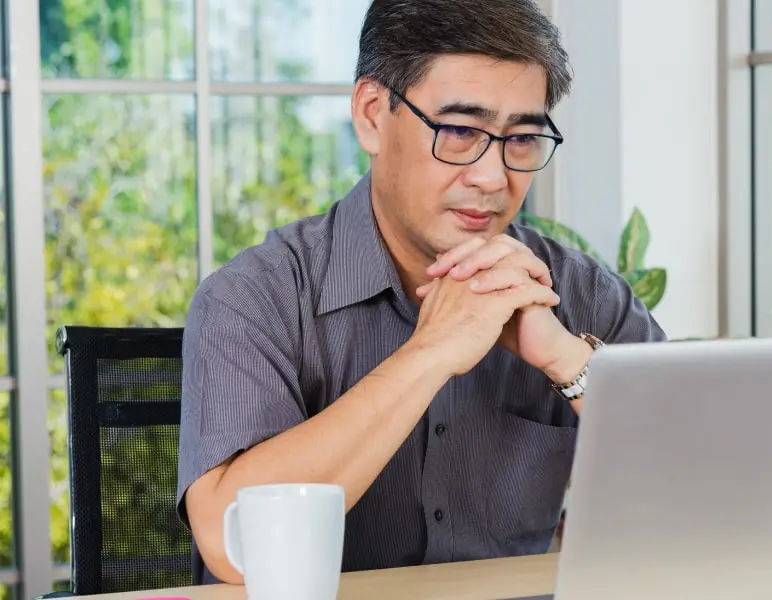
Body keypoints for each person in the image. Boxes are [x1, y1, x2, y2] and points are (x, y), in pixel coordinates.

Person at [176, 0, 666, 585]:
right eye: (459, 131)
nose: (492, 177)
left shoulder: (582, 295)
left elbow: (708, 489)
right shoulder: (256, 297)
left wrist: (567, 361)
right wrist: (432, 352)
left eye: (523, 138)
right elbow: (236, 546)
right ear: (372, 115)